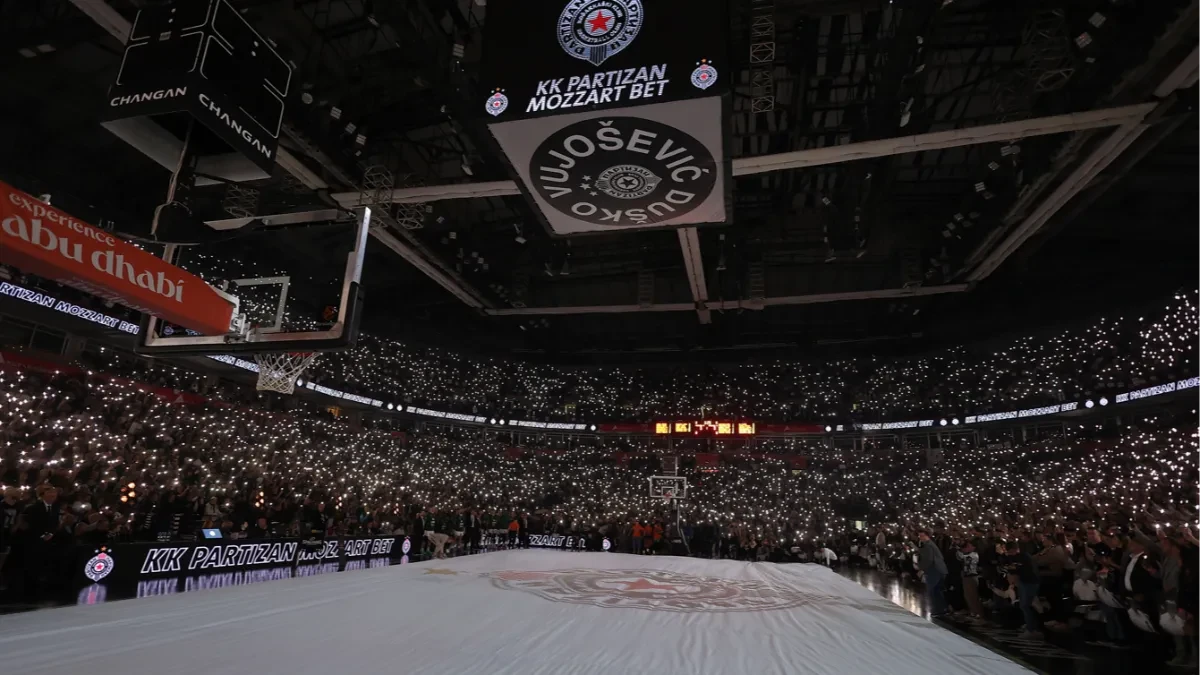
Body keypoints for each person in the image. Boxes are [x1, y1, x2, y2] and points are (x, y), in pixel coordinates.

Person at [1003, 539, 1042, 638]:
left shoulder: (1024, 557)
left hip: (1030, 582)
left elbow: (1015, 569)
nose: (1010, 554)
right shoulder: (1014, 557)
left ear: (1015, 549)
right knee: (1024, 605)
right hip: (1024, 582)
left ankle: (1031, 629)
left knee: (1025, 605)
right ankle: (1030, 626)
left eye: (1011, 551)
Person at [917, 529, 949, 617]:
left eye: (922, 536)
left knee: (933, 591)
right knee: (937, 591)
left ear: (928, 536)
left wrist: (921, 569)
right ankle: (942, 609)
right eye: (919, 536)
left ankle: (938, 610)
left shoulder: (928, 546)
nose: (920, 538)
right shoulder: (930, 544)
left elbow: (928, 560)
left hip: (934, 571)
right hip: (938, 570)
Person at [957, 539, 984, 619]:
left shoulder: (974, 555)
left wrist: (958, 549)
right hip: (966, 576)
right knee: (967, 595)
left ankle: (978, 612)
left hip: (972, 577)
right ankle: (973, 611)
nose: (967, 548)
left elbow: (962, 557)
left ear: (974, 547)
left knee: (973, 595)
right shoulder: (968, 554)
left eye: (969, 546)